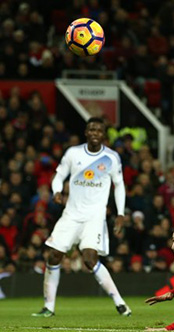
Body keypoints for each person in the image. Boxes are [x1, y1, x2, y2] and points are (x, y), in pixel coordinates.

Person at [32, 117, 131, 317]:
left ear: (103, 135)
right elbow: (59, 176)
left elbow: (119, 185)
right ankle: (48, 307)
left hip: (94, 217)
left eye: (98, 130)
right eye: (91, 129)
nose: (94, 133)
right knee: (53, 255)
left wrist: (120, 213)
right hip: (71, 214)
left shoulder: (111, 158)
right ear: (86, 132)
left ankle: (120, 303)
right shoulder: (73, 153)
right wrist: (57, 191)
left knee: (89, 259)